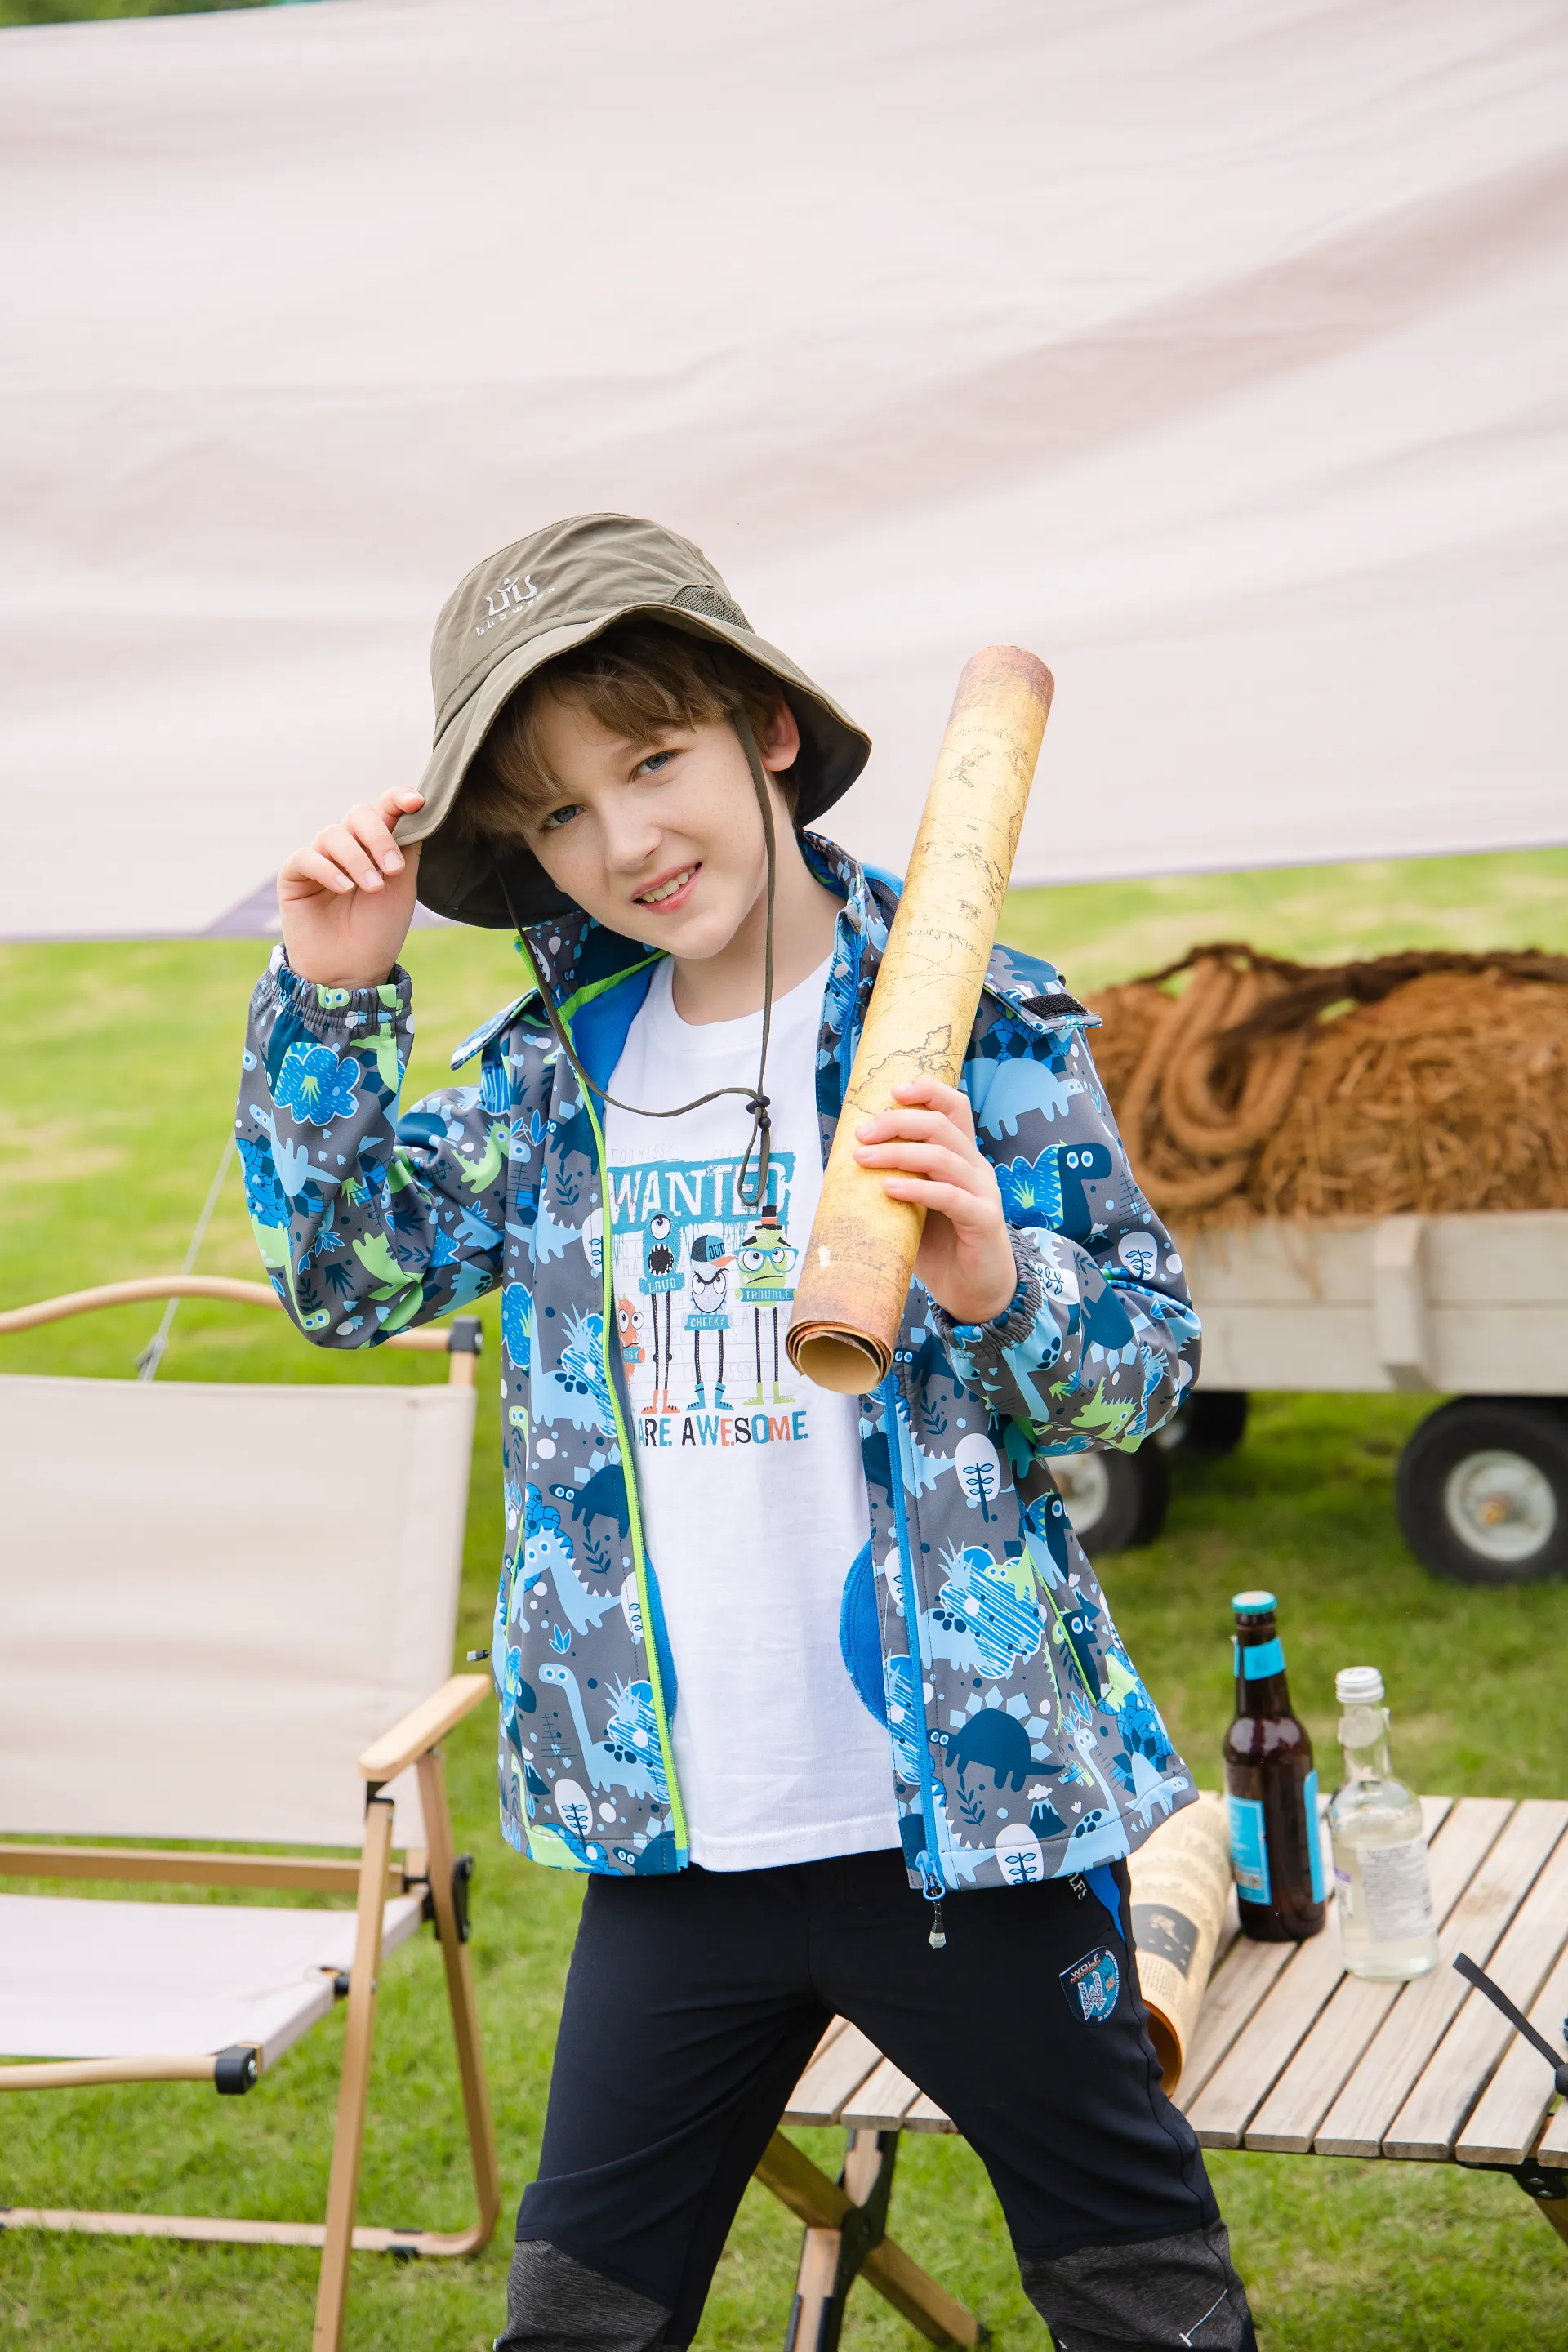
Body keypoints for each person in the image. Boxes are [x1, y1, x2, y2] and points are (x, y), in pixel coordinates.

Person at [238, 513, 1256, 2352]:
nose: (625, 843)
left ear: (763, 732)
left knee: (1142, 2296)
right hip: (679, 1850)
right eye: (557, 814)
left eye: (650, 764)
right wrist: (331, 995)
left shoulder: (976, 1029)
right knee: (578, 2315)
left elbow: (1153, 1372)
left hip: (974, 1817)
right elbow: (342, 1278)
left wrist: (996, 1283)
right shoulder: (555, 1077)